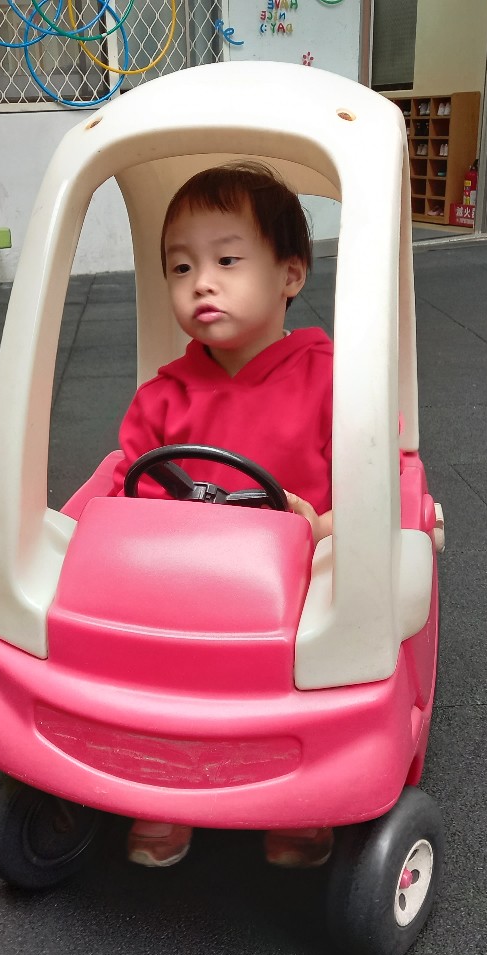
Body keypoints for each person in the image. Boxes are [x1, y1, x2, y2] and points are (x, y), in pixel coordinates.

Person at [108, 161, 335, 870]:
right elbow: (128, 491)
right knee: (145, 654)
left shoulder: (332, 379)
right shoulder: (163, 396)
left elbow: (376, 485)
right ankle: (165, 782)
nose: (201, 282)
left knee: (322, 646)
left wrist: (320, 526)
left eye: (227, 261)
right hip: (190, 586)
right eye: (181, 268)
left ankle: (302, 792)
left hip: (298, 584)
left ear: (289, 274)